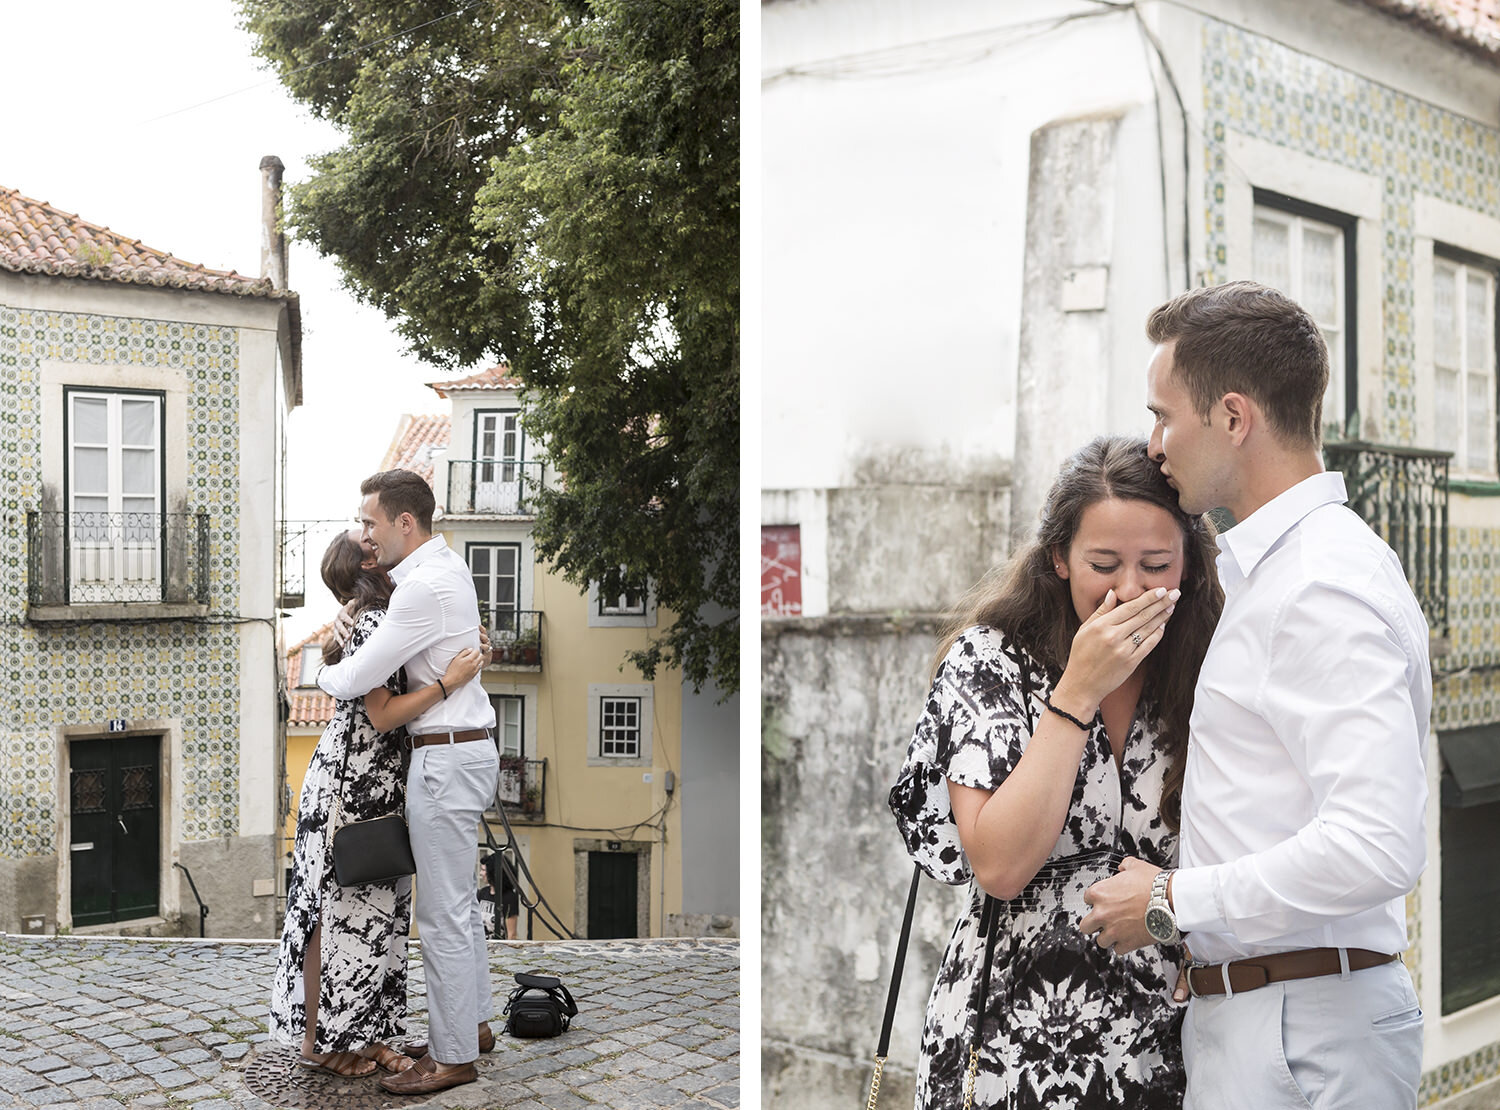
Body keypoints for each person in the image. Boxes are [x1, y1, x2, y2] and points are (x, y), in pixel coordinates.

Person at [1081, 281, 1431, 1109]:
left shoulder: (1319, 587)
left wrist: (1173, 900)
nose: (1155, 443)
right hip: (1274, 1022)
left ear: (1234, 418)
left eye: (1165, 415)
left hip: (1301, 1035)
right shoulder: (1290, 574)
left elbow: (1378, 846)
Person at [890, 435, 1223, 1109]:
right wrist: (1077, 692)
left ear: (1188, 564)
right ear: (1060, 560)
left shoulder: (1213, 664)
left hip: (1167, 1045)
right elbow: (1001, 865)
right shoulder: (988, 665)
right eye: (1103, 563)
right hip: (1007, 1044)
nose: (1129, 588)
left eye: (1155, 564)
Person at [270, 530, 484, 1077]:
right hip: (348, 787)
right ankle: (322, 1043)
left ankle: (366, 1036)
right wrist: (448, 683)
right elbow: (382, 714)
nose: (374, 537)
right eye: (364, 536)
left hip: (379, 784)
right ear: (369, 561)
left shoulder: (383, 620)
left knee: (375, 923)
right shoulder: (368, 624)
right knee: (330, 913)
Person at [318, 469, 500, 1097]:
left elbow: (353, 679)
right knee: (461, 905)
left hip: (445, 758)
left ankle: (452, 1057)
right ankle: (470, 1026)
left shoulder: (420, 588)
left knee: (443, 912)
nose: (366, 536)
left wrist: (331, 657)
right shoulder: (449, 568)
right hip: (467, 750)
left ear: (404, 522)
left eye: (371, 523)